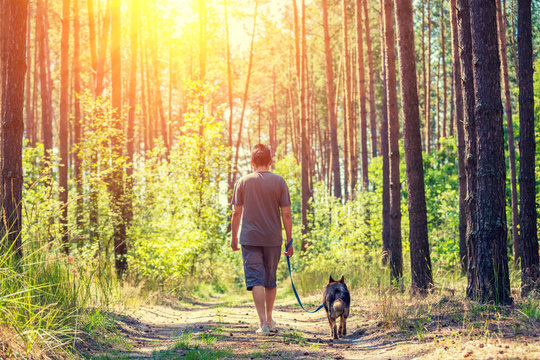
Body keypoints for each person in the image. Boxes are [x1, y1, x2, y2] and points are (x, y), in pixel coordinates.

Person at [231, 144, 293, 335]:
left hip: (249, 238)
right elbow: (287, 214)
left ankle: (262, 324)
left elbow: (236, 212)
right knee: (269, 278)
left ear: (252, 163)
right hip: (273, 238)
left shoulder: (243, 181)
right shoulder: (280, 181)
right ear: (270, 162)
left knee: (255, 279)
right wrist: (289, 241)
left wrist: (234, 237)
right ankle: (269, 318)